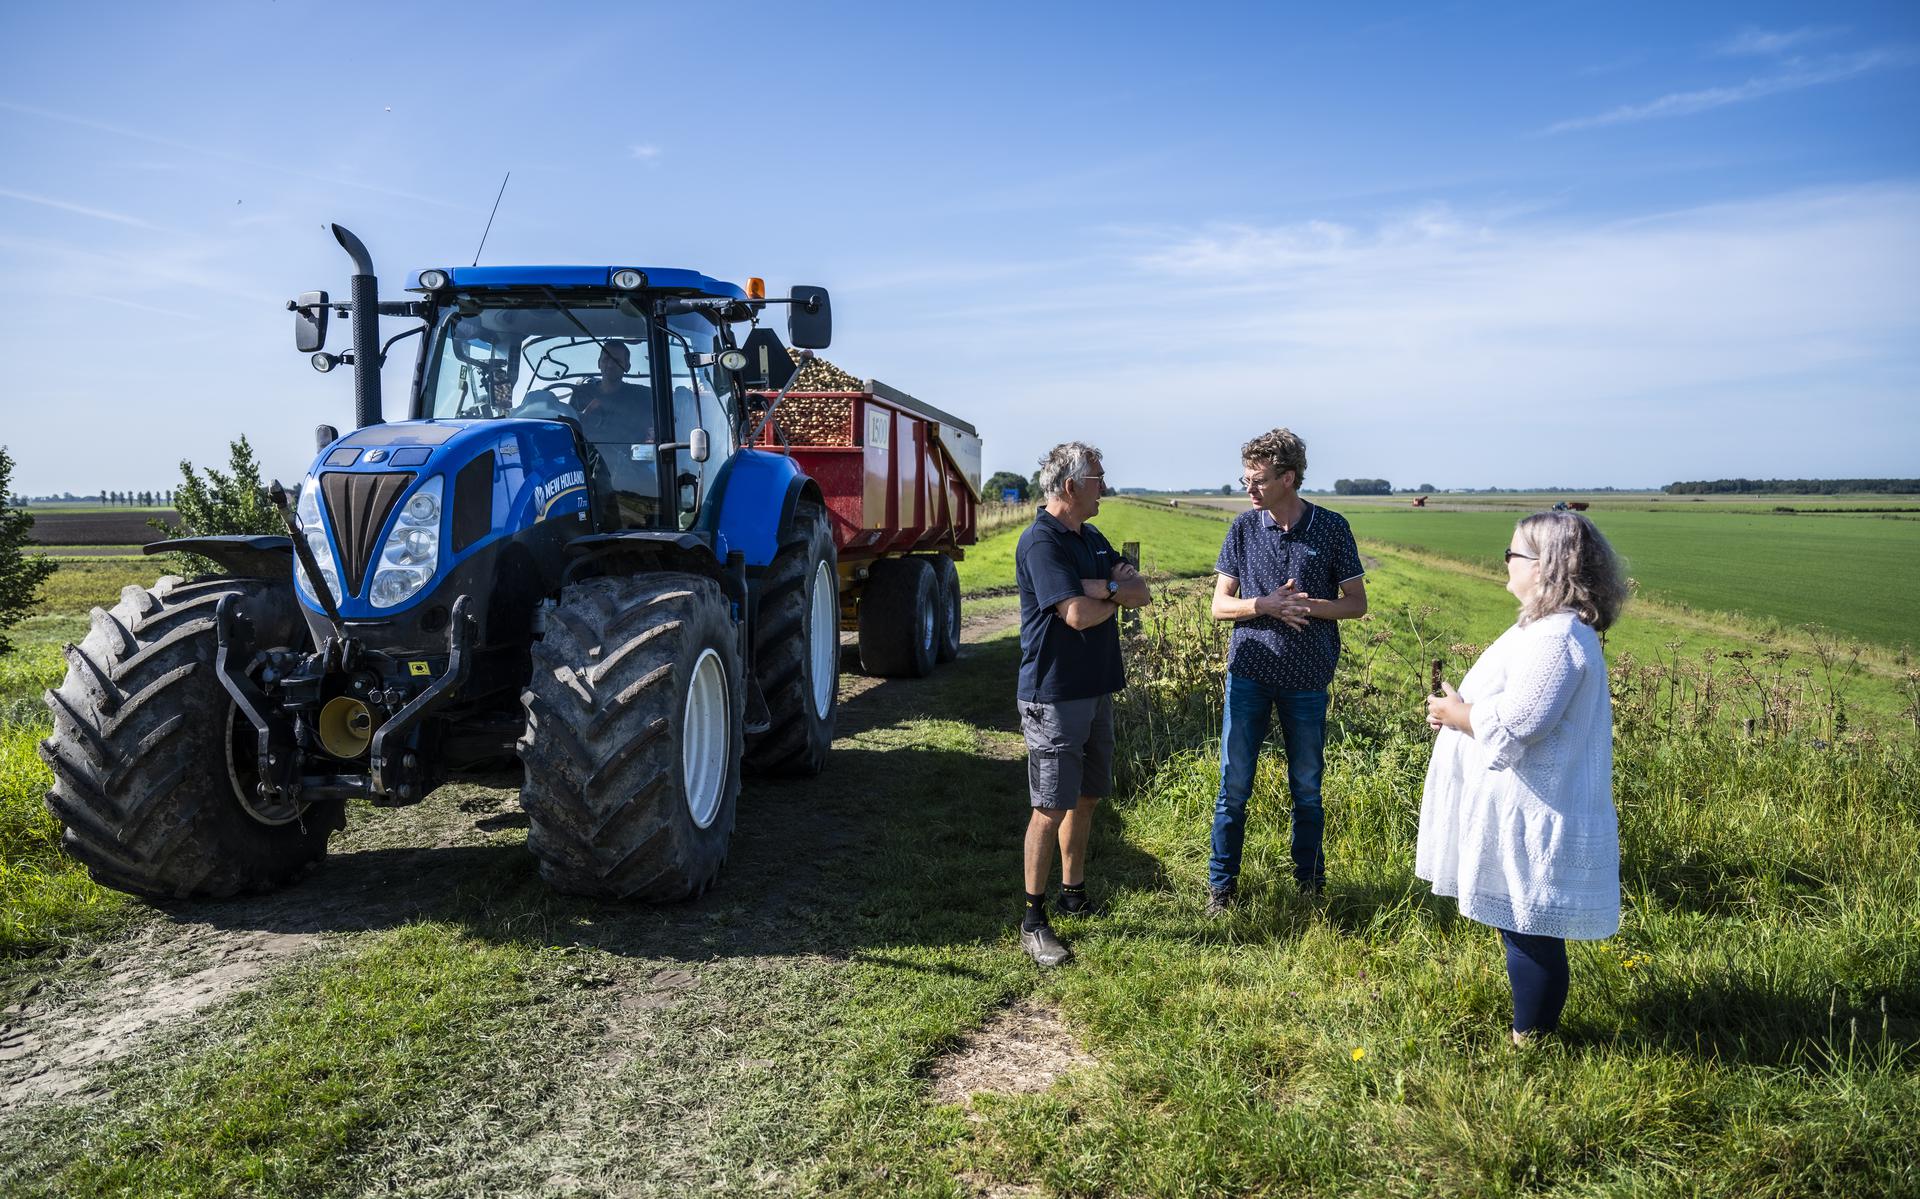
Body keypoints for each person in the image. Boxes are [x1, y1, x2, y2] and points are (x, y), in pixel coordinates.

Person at [1418, 511, 1629, 1045]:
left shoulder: (1556, 638)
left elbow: (1520, 722)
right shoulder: (1542, 628)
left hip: (1539, 805)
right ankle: (1531, 1031)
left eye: (1514, 554)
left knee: (1530, 925)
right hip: (1526, 801)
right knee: (1522, 921)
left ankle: (1531, 1040)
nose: (1506, 563)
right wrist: (1463, 709)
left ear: (1546, 568)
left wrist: (1455, 715)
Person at [1206, 428, 1367, 913]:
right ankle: (1221, 887)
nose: (1248, 488)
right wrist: (1266, 605)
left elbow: (1356, 605)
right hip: (1249, 673)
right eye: (1246, 478)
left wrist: (1303, 606)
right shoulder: (1242, 529)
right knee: (1234, 786)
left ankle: (1310, 886)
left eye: (1257, 480)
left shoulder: (1332, 528)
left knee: (1308, 787)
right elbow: (1219, 605)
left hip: (1308, 678)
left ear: (1288, 478)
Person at [1014, 442, 1151, 967]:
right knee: (1049, 806)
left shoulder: (1090, 536)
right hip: (1054, 693)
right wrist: (1107, 591)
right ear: (1070, 486)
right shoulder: (1040, 542)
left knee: (1088, 797)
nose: (1105, 486)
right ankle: (1034, 919)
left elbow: (1140, 592)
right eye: (1097, 478)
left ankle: (1074, 893)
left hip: (1095, 689)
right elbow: (1075, 615)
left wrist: (1105, 586)